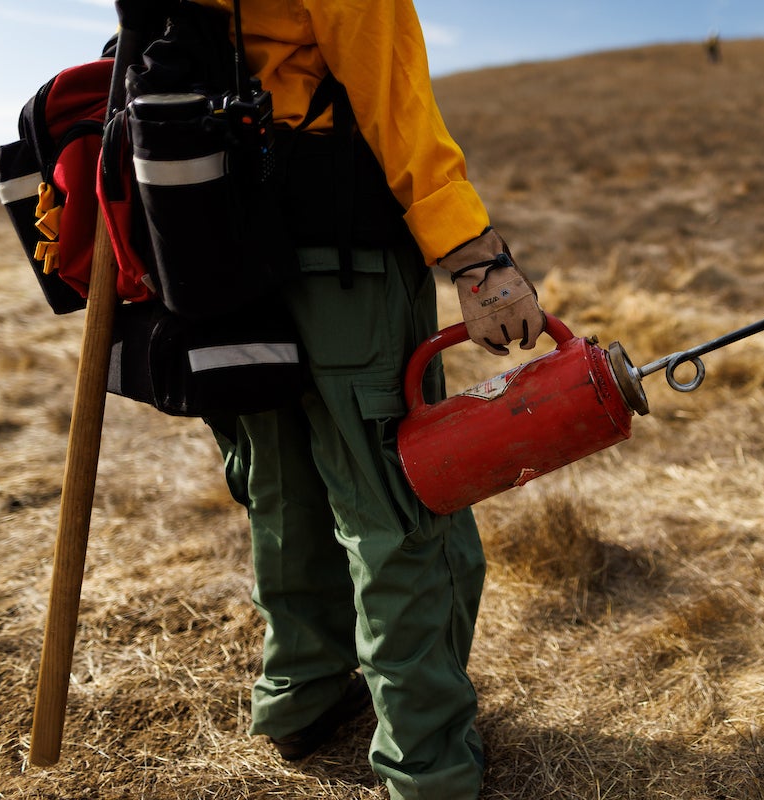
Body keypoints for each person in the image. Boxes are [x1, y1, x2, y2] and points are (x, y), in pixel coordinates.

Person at [190, 1, 546, 798]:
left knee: (284, 492)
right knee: (400, 508)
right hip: (341, 258)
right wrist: (478, 259)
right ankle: (429, 764)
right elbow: (393, 99)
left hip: (219, 261)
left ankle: (299, 697)